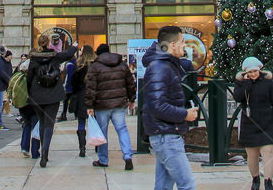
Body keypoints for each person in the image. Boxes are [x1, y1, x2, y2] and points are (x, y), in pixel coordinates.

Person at [142, 25, 198, 190]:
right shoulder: (160, 67)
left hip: (165, 134)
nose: (185, 46)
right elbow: (157, 105)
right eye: (182, 42)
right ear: (172, 45)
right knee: (187, 185)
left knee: (163, 187)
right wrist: (184, 115)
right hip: (166, 136)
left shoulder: (166, 65)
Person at [27, 34, 78, 167]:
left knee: (42, 123)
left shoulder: (33, 58)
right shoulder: (55, 56)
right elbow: (68, 54)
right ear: (48, 43)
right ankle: (45, 153)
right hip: (53, 94)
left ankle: (43, 152)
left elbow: (29, 78)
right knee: (49, 124)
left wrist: (30, 93)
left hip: (37, 95)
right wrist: (75, 46)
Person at [234, 57, 273, 190]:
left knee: (268, 153)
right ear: (245, 73)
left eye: (255, 71)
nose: (252, 74)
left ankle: (268, 181)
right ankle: (255, 178)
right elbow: (238, 97)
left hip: (267, 122)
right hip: (249, 122)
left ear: (259, 70)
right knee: (252, 154)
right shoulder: (241, 83)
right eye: (249, 72)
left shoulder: (267, 83)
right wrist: (247, 84)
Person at [85, 43, 136, 169]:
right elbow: (130, 82)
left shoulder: (95, 66)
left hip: (102, 105)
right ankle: (127, 155)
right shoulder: (122, 64)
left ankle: (103, 160)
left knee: (102, 132)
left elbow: (91, 88)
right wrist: (132, 99)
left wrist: (89, 105)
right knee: (122, 129)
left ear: (98, 53)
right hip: (119, 103)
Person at [69, 45, 93, 157]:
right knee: (97, 122)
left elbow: (73, 82)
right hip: (94, 95)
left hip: (81, 95)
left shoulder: (78, 65)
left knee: (81, 122)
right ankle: (99, 145)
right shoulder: (96, 64)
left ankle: (82, 148)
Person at [15, 57, 41, 158]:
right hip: (34, 104)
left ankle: (24, 147)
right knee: (36, 127)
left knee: (26, 124)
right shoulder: (35, 75)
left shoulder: (19, 75)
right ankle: (35, 151)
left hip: (23, 104)